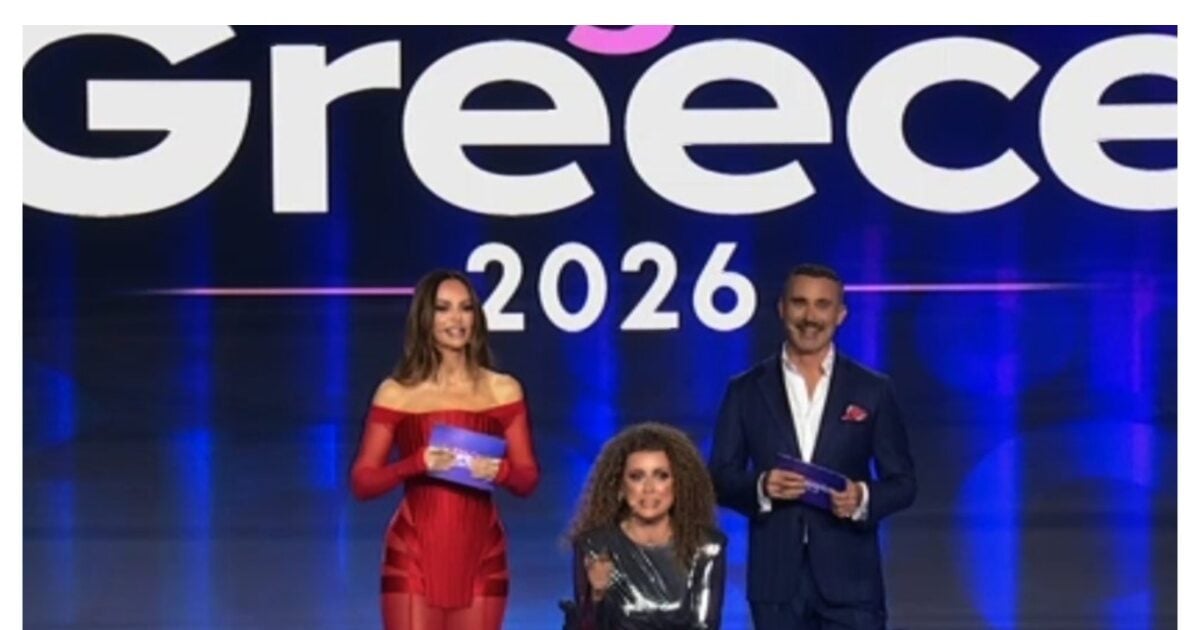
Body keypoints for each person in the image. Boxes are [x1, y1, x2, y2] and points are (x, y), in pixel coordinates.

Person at [707, 264, 916, 630]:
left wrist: (862, 497)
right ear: (781, 308)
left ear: (841, 314)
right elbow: (719, 477)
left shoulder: (872, 390)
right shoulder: (745, 390)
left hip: (852, 582)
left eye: (822, 305)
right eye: (799, 303)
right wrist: (761, 486)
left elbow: (904, 483)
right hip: (776, 583)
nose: (810, 317)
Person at [350, 269, 540, 630]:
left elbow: (527, 479)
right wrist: (415, 463)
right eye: (443, 308)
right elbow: (362, 482)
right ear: (425, 317)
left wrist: (499, 471)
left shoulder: (503, 390)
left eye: (466, 308)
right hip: (413, 556)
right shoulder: (397, 392)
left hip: (483, 556)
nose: (457, 319)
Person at [565, 422, 727, 630]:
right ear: (620, 487)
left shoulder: (706, 547)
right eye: (637, 477)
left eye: (661, 476)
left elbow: (706, 625)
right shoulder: (595, 545)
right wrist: (597, 594)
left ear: (679, 484)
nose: (649, 488)